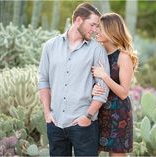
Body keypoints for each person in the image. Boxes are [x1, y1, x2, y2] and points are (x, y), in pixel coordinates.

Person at [38, 3, 110, 156]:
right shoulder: (50, 46)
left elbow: (102, 89)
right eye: (93, 25)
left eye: (97, 26)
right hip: (55, 124)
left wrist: (88, 116)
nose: (96, 30)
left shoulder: (97, 50)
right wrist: (47, 113)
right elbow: (43, 81)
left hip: (84, 125)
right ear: (78, 20)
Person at [91, 13, 138, 156]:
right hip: (99, 110)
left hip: (118, 113)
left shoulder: (123, 57)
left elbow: (124, 93)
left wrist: (104, 76)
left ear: (111, 30)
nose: (96, 31)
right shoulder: (98, 53)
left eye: (100, 28)